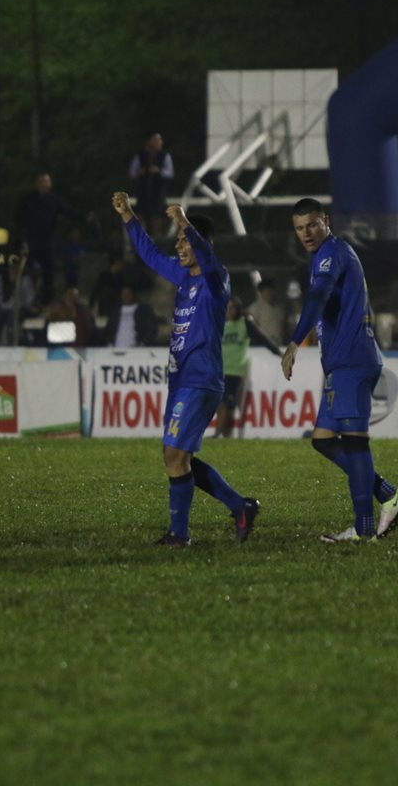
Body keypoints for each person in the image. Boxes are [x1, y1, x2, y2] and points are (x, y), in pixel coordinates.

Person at [111, 192, 259, 545]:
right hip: (181, 380)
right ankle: (240, 506)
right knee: (179, 457)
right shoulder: (183, 276)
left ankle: (179, 534)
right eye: (178, 240)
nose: (179, 245)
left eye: (185, 241)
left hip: (201, 378)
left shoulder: (215, 278)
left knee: (173, 456)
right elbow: (149, 254)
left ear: (201, 242)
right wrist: (129, 215)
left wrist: (184, 222)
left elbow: (206, 257)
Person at [281, 198, 398, 543]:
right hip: (343, 362)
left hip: (353, 360)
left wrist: (295, 342)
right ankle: (387, 493)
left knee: (355, 444)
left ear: (326, 221)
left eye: (311, 224)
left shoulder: (331, 253)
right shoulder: (326, 255)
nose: (306, 233)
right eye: (299, 228)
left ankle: (365, 528)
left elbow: (318, 295)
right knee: (323, 440)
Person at [13, 171, 89, 295]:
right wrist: (21, 235)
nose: (44, 184)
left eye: (46, 182)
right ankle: (28, 296)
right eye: (42, 182)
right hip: (31, 240)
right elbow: (19, 217)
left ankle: (47, 298)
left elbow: (68, 211)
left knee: (49, 271)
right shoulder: (28, 199)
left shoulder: (54, 200)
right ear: (37, 184)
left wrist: (84, 217)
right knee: (29, 269)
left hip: (47, 241)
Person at [217, 297, 281, 438]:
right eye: (227, 307)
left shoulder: (244, 324)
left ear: (237, 309)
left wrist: (279, 353)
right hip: (218, 369)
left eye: (232, 307)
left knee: (225, 402)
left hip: (234, 370)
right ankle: (225, 434)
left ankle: (218, 434)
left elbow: (262, 339)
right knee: (223, 403)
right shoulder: (218, 323)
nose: (229, 310)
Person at [128, 133, 174, 237]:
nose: (159, 143)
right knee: (140, 217)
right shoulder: (140, 156)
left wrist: (159, 171)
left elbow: (170, 173)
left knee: (156, 219)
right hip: (143, 193)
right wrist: (140, 172)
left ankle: (157, 243)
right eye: (156, 140)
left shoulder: (164, 156)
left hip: (158, 193)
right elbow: (132, 172)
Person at [0, 254, 37, 346]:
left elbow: (29, 297)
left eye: (15, 268)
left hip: (18, 308)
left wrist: (31, 306)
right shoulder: (1, 279)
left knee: (11, 325)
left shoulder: (25, 280)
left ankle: (12, 346)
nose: (13, 271)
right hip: (3, 308)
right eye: (11, 268)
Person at [105, 283, 158, 347]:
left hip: (136, 350)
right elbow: (109, 328)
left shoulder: (144, 310)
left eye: (128, 294)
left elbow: (151, 328)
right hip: (115, 349)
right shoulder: (115, 311)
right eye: (123, 294)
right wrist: (109, 343)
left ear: (133, 295)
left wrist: (143, 343)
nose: (126, 296)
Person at [245, 277, 286, 348]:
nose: (269, 293)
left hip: (278, 342)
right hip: (262, 344)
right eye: (266, 291)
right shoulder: (255, 307)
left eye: (271, 290)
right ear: (261, 292)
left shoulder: (278, 308)